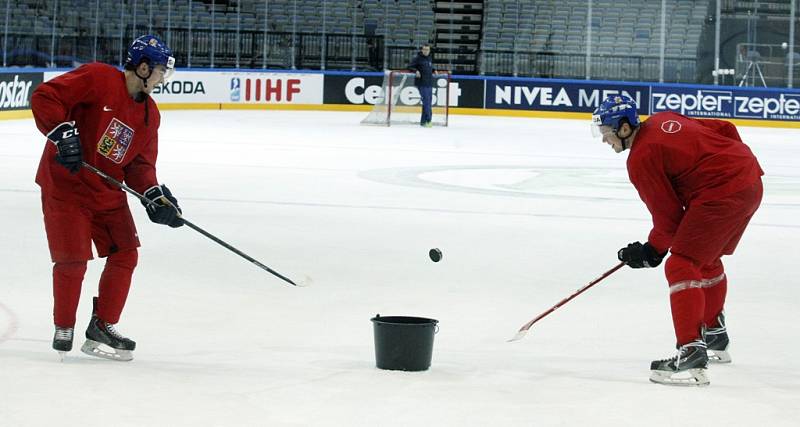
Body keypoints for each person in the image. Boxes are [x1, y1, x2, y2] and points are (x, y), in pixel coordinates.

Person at [30, 35, 184, 362]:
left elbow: (140, 164)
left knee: (126, 252)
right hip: (66, 185)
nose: (162, 78)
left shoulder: (149, 115)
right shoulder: (98, 78)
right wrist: (61, 132)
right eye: (159, 71)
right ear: (143, 68)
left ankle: (102, 325)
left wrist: (153, 195)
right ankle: (64, 326)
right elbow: (46, 96)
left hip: (106, 189)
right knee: (73, 259)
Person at [591, 95, 763, 386]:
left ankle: (691, 353)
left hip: (721, 194)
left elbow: (669, 219)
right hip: (749, 181)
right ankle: (715, 335)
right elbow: (725, 128)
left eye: (606, 133)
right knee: (705, 259)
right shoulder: (661, 118)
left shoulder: (641, 158)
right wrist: (734, 160)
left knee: (681, 264)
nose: (604, 140)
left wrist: (650, 251)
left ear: (623, 128)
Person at [407, 43, 435, 127]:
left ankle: (423, 122)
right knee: (426, 102)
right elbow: (409, 67)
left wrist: (434, 69)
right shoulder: (417, 58)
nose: (426, 51)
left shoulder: (429, 58)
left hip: (429, 83)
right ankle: (429, 120)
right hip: (422, 83)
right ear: (422, 50)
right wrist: (416, 71)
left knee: (428, 102)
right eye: (425, 49)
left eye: (428, 50)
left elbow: (429, 66)